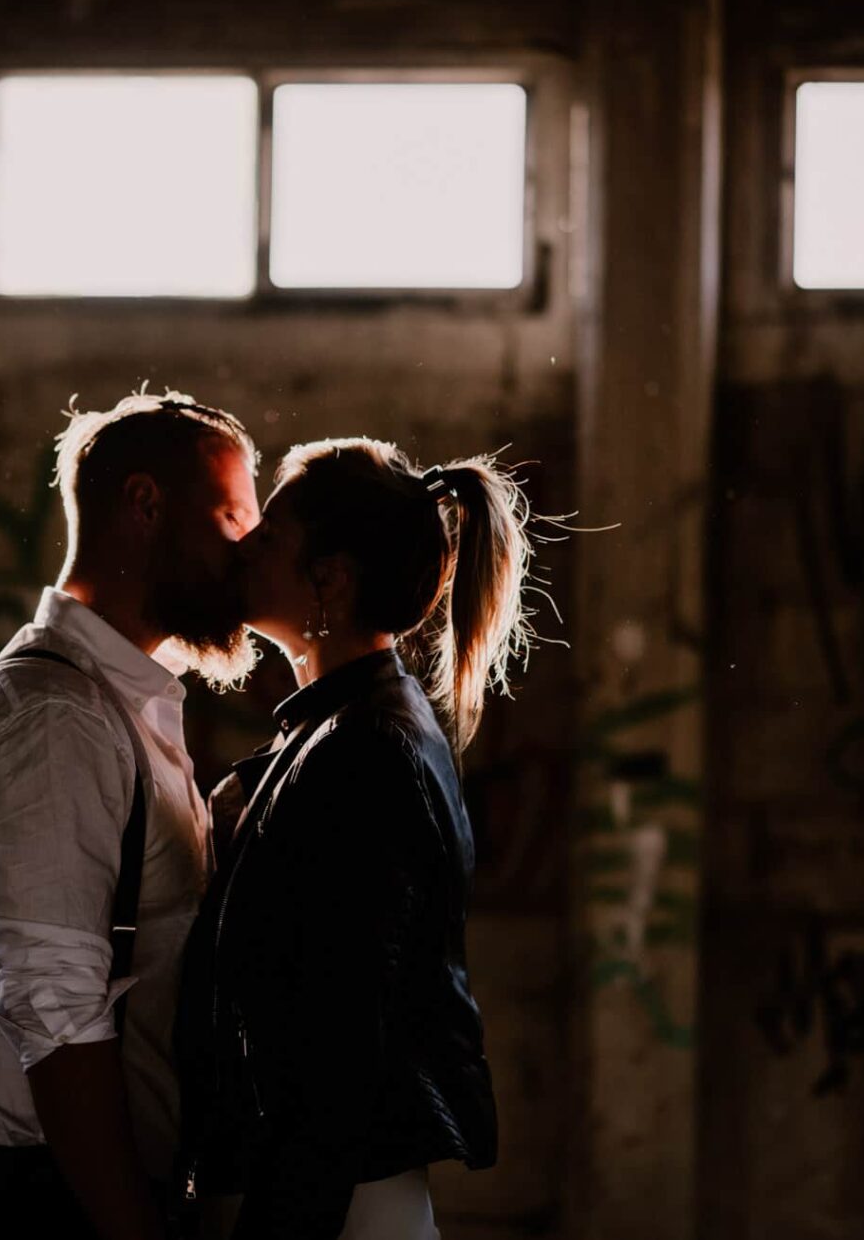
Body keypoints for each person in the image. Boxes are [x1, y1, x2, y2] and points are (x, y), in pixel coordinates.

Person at [0, 390, 261, 1240]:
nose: (246, 557)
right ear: (144, 505)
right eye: (230, 518)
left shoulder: (115, 701)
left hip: (68, 1188)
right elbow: (57, 1015)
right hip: (37, 1201)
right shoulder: (56, 716)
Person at [177, 437, 532, 1240]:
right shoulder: (342, 730)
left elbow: (338, 1050)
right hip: (332, 1193)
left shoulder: (361, 753)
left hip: (330, 1207)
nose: (243, 547)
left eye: (267, 536)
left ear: (328, 579)